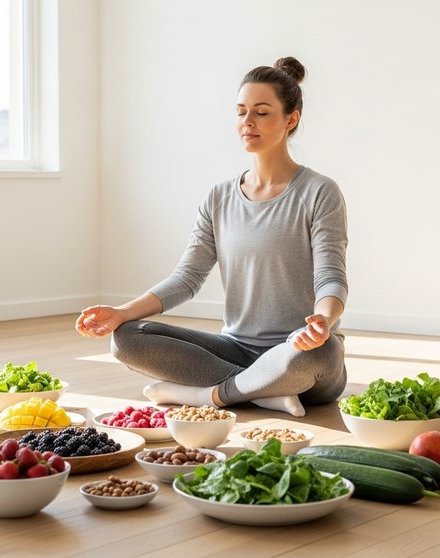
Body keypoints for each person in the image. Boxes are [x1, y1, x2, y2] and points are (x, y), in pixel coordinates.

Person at [75, 56, 348, 417]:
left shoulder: (319, 191)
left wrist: (323, 321)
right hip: (234, 348)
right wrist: (120, 312)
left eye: (261, 112)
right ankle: (261, 390)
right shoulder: (219, 197)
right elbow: (186, 279)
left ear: (291, 119)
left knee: (322, 352)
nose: (247, 122)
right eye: (240, 112)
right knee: (126, 339)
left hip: (300, 351)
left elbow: (331, 277)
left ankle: (209, 396)